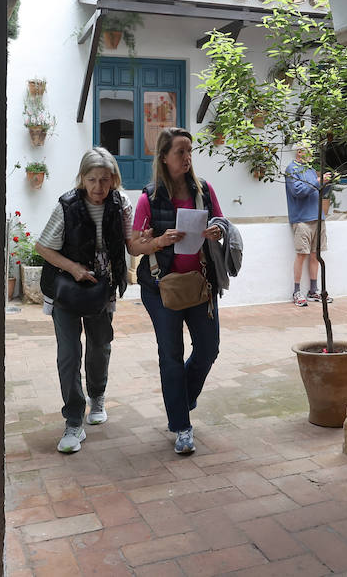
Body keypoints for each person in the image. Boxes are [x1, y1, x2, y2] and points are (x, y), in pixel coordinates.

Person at [34, 147, 138, 455]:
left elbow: (131, 245)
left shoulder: (121, 204)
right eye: (92, 179)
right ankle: (73, 422)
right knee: (69, 353)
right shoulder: (67, 205)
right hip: (66, 289)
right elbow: (43, 247)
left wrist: (150, 240)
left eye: (105, 180)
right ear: (82, 178)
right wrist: (75, 268)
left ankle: (98, 396)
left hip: (101, 290)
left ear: (114, 180)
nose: (98, 187)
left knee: (99, 346)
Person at [133, 127, 226, 455]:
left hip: (201, 286)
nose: (187, 158)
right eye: (180, 153)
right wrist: (158, 241)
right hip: (161, 289)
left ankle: (180, 401)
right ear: (164, 157)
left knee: (208, 349)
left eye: (190, 152)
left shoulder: (203, 190)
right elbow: (133, 245)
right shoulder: (149, 197)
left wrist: (217, 229)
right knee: (170, 356)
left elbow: (222, 221)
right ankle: (182, 426)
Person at [284, 142, 333, 307]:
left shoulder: (311, 170)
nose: (311, 153)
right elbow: (298, 192)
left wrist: (327, 182)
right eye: (308, 150)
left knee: (315, 254)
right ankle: (296, 292)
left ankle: (313, 291)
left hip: (318, 218)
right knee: (302, 255)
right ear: (299, 152)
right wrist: (319, 181)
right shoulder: (292, 170)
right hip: (302, 219)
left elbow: (320, 191)